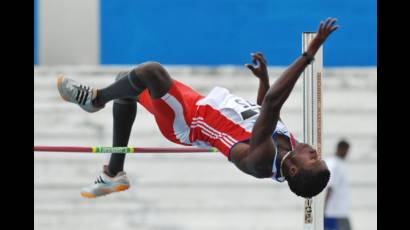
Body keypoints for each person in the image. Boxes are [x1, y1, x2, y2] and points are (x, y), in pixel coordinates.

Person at [56, 18, 339, 199]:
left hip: (187, 120)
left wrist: (309, 53)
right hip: (197, 102)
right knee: (126, 84)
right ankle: (113, 173)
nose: (315, 152)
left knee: (150, 72)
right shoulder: (286, 146)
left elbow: (272, 104)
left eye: (313, 160)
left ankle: (94, 100)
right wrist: (264, 80)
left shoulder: (262, 161)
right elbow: (262, 114)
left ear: (291, 169)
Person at [324, 140, 352, 230]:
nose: (347, 154)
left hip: (339, 212)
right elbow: (329, 187)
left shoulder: (336, 163)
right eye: (346, 151)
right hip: (334, 214)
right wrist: (323, 209)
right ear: (341, 149)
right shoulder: (334, 164)